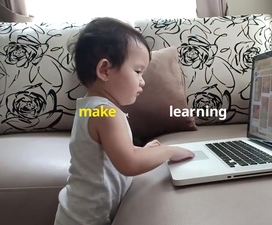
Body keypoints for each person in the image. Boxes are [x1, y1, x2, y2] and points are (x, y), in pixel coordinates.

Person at [54, 17, 195, 225]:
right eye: (138, 71)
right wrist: (170, 151)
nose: (142, 80)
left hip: (75, 213)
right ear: (104, 70)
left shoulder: (89, 107)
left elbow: (114, 154)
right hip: (86, 219)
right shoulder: (106, 114)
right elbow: (128, 163)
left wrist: (143, 150)